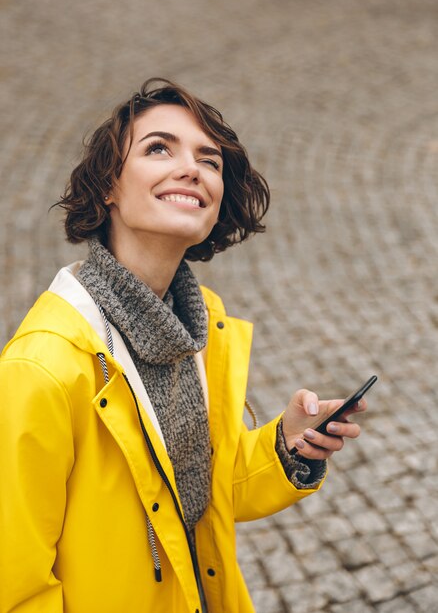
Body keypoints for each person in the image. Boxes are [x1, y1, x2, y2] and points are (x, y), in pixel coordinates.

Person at [0, 78, 366, 613]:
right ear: (109, 186)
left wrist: (286, 446)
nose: (192, 168)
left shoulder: (198, 327)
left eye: (209, 160)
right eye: (157, 148)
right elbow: (15, 585)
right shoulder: (44, 368)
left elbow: (200, 491)